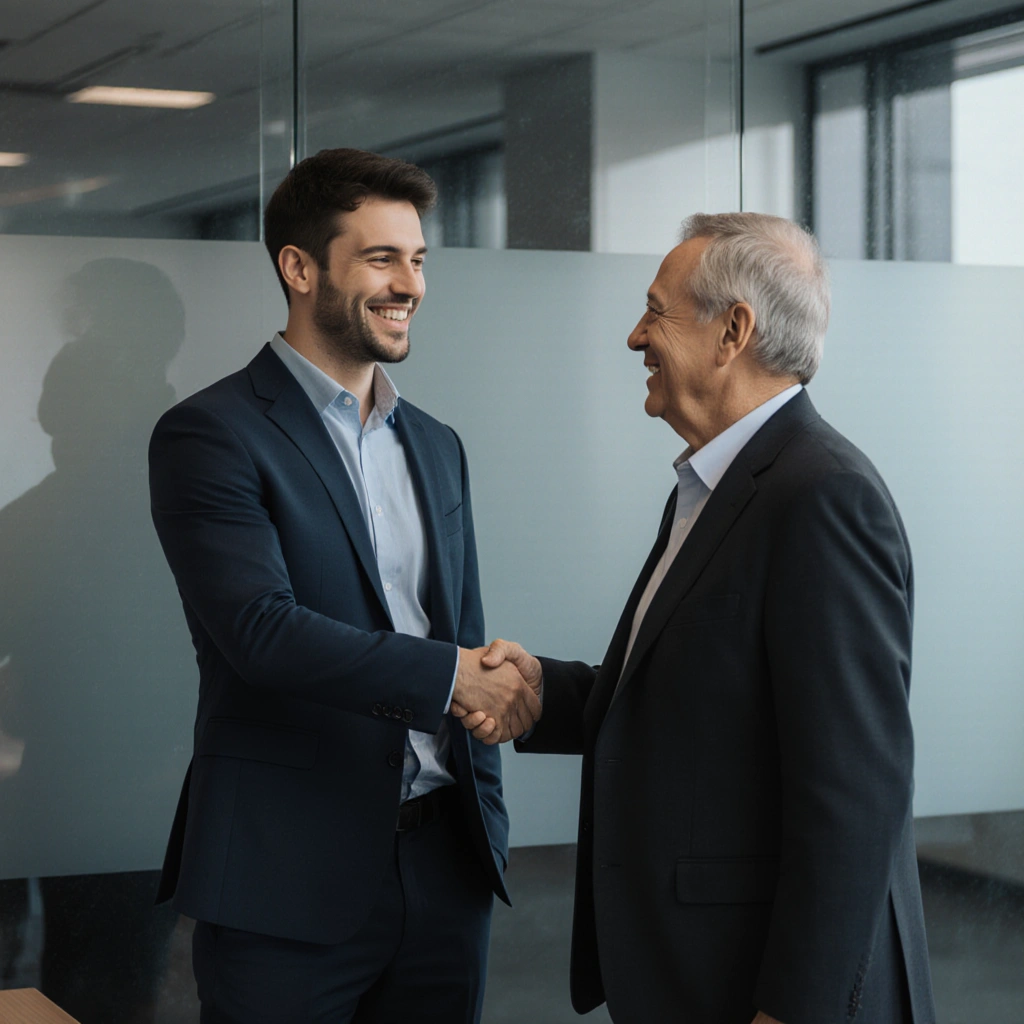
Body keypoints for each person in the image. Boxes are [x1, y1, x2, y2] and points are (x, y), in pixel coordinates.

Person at [456, 213, 937, 1024]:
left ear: (733, 331)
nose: (635, 335)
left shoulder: (821, 496)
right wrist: (550, 693)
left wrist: (792, 1010)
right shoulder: (720, 487)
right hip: (697, 969)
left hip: (769, 988)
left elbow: (853, 794)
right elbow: (701, 693)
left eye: (656, 310)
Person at [148, 148, 540, 1024]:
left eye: (420, 259)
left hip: (444, 870)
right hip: (287, 876)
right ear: (299, 268)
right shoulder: (211, 434)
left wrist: (486, 822)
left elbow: (463, 630)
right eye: (381, 258)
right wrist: (449, 677)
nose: (412, 284)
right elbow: (259, 629)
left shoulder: (434, 443)